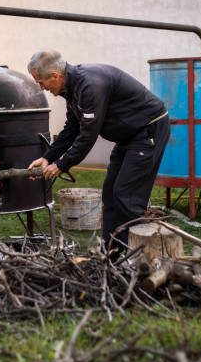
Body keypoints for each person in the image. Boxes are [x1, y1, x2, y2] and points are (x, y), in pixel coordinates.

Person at [27, 49, 170, 257]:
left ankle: (145, 258)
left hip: (148, 130)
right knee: (111, 193)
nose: (41, 88)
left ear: (55, 76)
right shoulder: (72, 88)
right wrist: (48, 156)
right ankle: (110, 257)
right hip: (128, 137)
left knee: (127, 197)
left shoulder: (90, 86)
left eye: (41, 82)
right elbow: (72, 128)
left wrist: (61, 165)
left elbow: (88, 135)